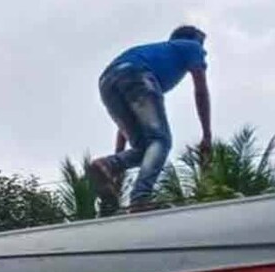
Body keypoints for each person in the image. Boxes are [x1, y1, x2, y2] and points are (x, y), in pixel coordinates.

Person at [89, 25, 212, 214]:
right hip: (137, 74)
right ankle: (141, 198)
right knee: (160, 140)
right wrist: (207, 135)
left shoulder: (156, 54)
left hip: (107, 81)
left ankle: (106, 164)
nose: (203, 54)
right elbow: (201, 91)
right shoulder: (191, 46)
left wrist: (115, 165)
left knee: (145, 149)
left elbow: (126, 124)